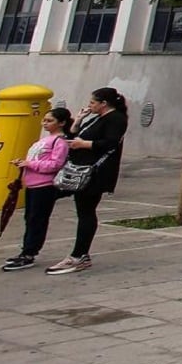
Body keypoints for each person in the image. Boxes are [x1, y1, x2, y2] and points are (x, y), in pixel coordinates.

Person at [48, 87, 128, 275]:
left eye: (93, 102)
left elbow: (110, 143)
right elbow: (74, 135)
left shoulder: (116, 119)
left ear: (104, 103)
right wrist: (78, 121)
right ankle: (79, 254)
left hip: (95, 173)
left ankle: (80, 255)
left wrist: (84, 144)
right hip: (79, 170)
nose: (89, 105)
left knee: (86, 211)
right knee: (79, 208)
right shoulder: (96, 118)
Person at [2, 107, 72, 270]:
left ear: (61, 123)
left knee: (37, 219)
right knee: (30, 218)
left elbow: (55, 164)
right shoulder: (44, 140)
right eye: (44, 120)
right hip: (32, 184)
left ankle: (29, 253)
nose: (45, 123)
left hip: (45, 186)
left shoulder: (60, 142)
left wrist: (30, 164)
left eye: (50, 121)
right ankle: (26, 251)